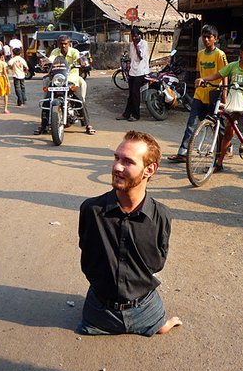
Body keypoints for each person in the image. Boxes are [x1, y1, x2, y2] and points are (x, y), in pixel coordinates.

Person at [78, 130, 182, 336]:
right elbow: (88, 258)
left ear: (149, 169)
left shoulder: (161, 216)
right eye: (116, 158)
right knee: (86, 328)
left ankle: (155, 322)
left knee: (161, 328)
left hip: (144, 305)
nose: (117, 166)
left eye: (128, 162)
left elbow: (156, 263)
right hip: (100, 307)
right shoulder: (91, 210)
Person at [199, 38, 243, 172]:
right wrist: (202, 79)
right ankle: (218, 163)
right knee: (228, 134)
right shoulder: (233, 66)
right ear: (241, 52)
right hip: (234, 101)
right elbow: (217, 75)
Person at [167, 24, 228, 163]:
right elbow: (200, 72)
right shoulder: (200, 54)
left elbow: (225, 74)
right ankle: (182, 153)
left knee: (218, 124)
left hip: (215, 93)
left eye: (209, 37)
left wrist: (224, 93)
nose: (206, 40)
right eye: (204, 37)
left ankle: (225, 148)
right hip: (200, 94)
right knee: (191, 123)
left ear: (215, 39)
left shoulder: (220, 54)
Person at [34, 34, 95, 135]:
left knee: (80, 100)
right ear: (58, 44)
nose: (63, 46)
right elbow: (51, 59)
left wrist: (82, 61)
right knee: (47, 101)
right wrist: (44, 61)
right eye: (61, 44)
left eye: (65, 44)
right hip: (58, 80)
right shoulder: (55, 52)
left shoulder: (74, 52)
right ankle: (43, 125)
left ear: (69, 44)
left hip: (71, 80)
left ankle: (87, 125)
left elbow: (78, 58)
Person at [116, 27, 149, 122]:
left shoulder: (144, 44)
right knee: (131, 94)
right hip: (132, 71)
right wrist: (128, 65)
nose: (134, 38)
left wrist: (136, 45)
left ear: (139, 35)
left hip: (141, 71)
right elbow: (133, 58)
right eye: (132, 37)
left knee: (135, 93)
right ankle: (126, 114)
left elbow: (140, 57)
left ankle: (136, 115)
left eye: (135, 36)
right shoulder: (131, 45)